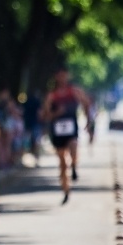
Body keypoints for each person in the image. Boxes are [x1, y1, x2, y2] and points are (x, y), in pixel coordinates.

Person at [42, 68, 91, 204]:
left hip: (72, 128)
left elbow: (86, 103)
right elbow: (46, 115)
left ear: (68, 76)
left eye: (64, 75)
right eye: (59, 75)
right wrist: (56, 113)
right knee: (62, 163)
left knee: (74, 146)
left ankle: (74, 166)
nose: (62, 78)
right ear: (56, 76)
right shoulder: (51, 95)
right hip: (57, 130)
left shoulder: (74, 91)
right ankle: (66, 191)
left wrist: (88, 121)